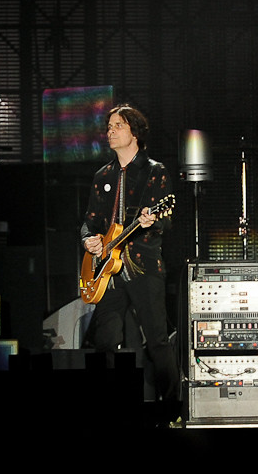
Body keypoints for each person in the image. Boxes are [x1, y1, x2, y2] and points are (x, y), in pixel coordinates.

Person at [80, 103, 181, 425]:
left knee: (157, 341)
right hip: (108, 269)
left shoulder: (155, 171)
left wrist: (152, 221)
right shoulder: (103, 176)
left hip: (142, 265)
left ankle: (172, 409)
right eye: (108, 127)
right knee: (104, 341)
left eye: (117, 126)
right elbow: (89, 222)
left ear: (134, 132)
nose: (110, 131)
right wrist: (89, 240)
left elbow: (165, 223)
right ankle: (108, 410)